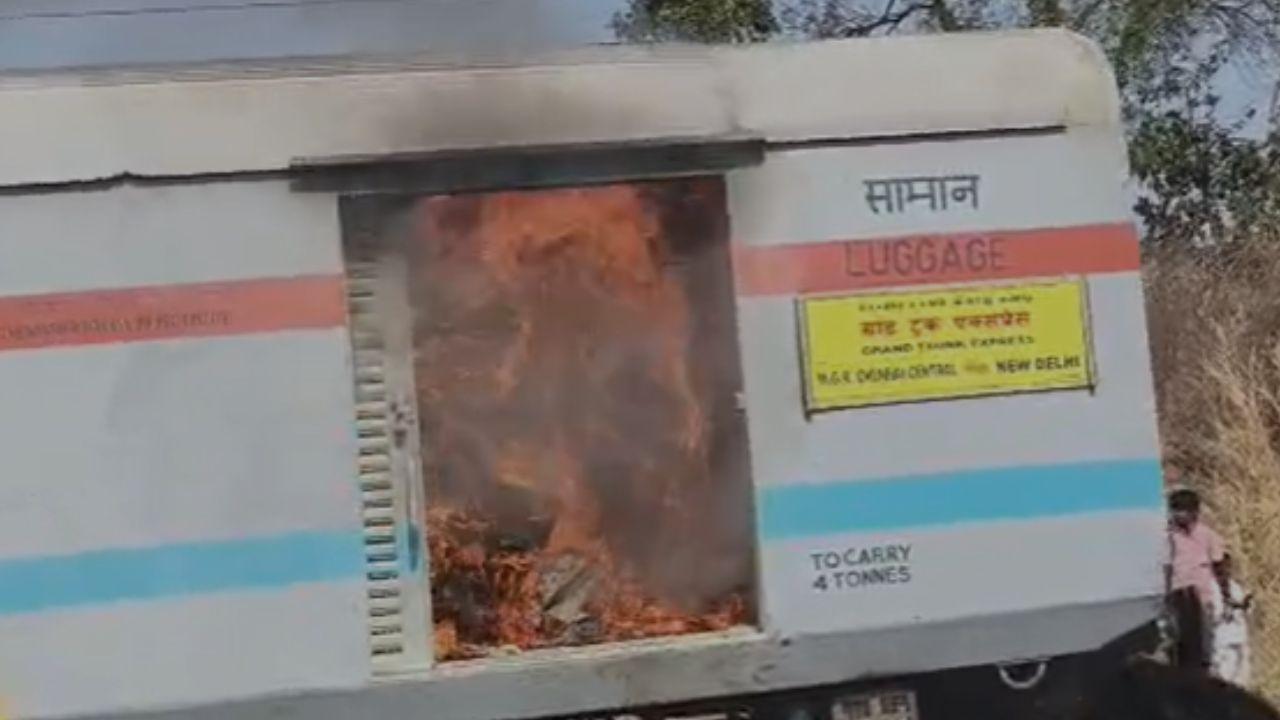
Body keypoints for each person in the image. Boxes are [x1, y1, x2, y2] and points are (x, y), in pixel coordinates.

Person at [1165, 487, 1226, 673]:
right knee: (1177, 641)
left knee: (1204, 641)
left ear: (1195, 512)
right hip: (1177, 595)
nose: (1179, 515)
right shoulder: (1167, 537)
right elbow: (1165, 567)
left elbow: (1219, 565)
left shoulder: (1207, 535)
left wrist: (1226, 593)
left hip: (1202, 595)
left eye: (1184, 510)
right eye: (1176, 510)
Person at [1208, 553, 1253, 687]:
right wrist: (1226, 609)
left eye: (1228, 567)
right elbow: (1213, 615)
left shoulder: (1235, 587)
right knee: (1224, 677)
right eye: (1222, 567)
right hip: (1222, 640)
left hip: (1238, 637)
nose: (1226, 570)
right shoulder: (1211, 588)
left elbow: (1246, 611)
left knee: (1242, 676)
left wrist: (1244, 606)